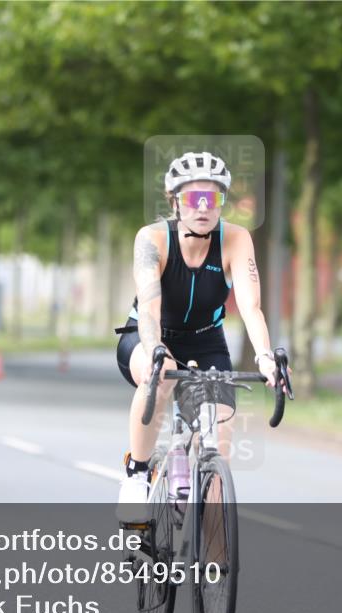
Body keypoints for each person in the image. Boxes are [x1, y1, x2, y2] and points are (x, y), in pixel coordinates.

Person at [114, 150, 282, 523]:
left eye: (213, 199)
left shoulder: (236, 239)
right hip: (148, 335)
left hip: (207, 341)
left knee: (218, 452)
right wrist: (156, 349)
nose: (204, 208)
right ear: (175, 202)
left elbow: (251, 307)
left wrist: (265, 356)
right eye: (194, 199)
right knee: (158, 378)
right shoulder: (152, 239)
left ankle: (213, 570)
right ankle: (137, 474)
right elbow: (149, 309)